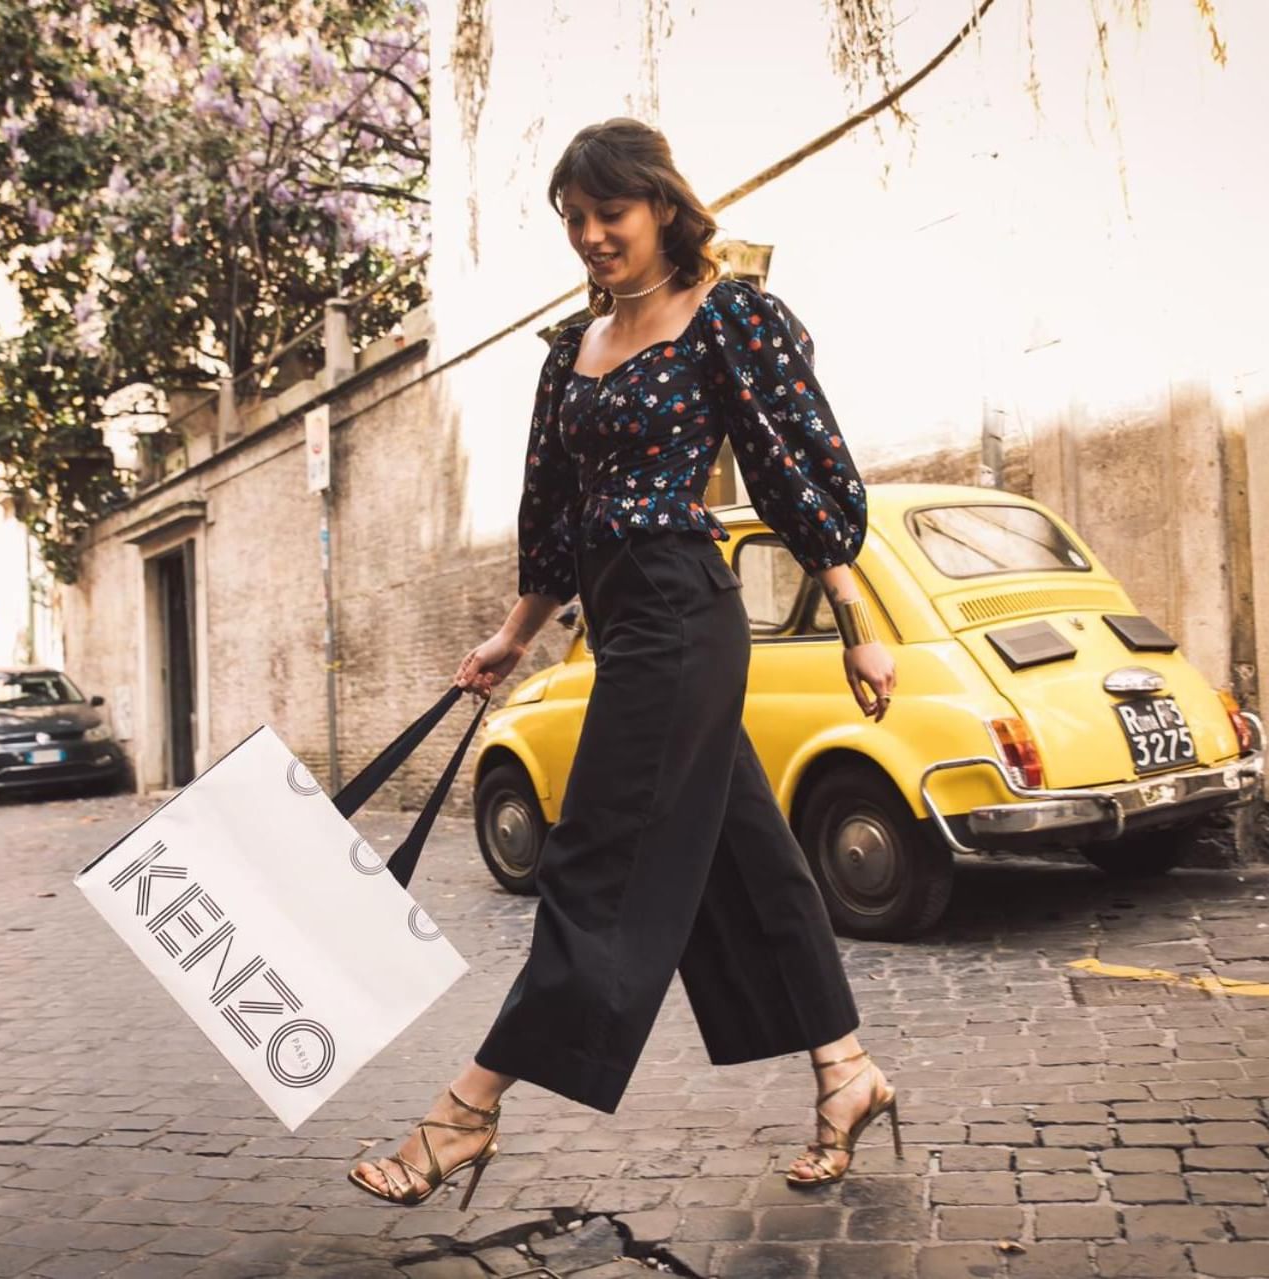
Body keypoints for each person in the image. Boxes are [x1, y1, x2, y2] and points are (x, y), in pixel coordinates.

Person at [350, 118, 900, 1208]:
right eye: (575, 220)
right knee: (748, 856)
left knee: (596, 860)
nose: (593, 237)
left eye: (612, 214)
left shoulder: (725, 318)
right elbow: (552, 513)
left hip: (685, 614)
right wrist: (514, 633)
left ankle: (468, 1109)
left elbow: (797, 467)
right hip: (619, 622)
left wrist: (854, 615)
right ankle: (848, 1071)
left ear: (661, 207)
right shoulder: (571, 350)